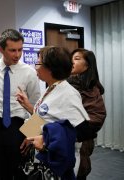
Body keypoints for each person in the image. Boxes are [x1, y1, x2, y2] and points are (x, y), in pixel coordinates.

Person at [17, 46, 95, 179]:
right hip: (45, 157)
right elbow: (48, 117)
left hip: (59, 162)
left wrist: (45, 139)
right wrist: (28, 134)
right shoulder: (52, 88)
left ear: (50, 68)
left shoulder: (68, 93)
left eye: (38, 63)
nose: (35, 67)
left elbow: (84, 131)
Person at [0, 29, 41, 180]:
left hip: (19, 127)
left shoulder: (29, 72)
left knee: (20, 172)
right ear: (1, 50)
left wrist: (31, 134)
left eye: (20, 50)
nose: (17, 54)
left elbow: (36, 105)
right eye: (12, 50)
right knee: (0, 172)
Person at [68, 48, 106, 180]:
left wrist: (70, 131)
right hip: (63, 142)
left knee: (78, 172)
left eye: (77, 59)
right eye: (71, 58)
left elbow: (96, 118)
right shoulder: (65, 84)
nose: (72, 61)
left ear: (87, 65)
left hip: (80, 143)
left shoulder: (91, 89)